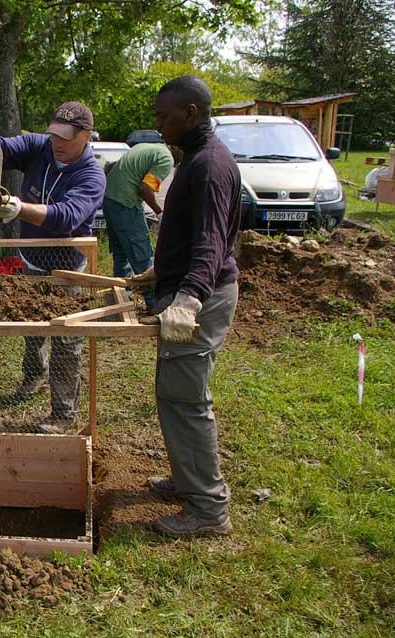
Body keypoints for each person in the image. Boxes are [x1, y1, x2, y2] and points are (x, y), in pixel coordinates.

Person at [130, 75, 241, 537]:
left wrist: (188, 296)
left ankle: (208, 509)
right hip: (186, 287)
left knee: (186, 400)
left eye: (164, 116)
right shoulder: (195, 158)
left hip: (203, 297)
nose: (158, 125)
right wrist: (162, 272)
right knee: (174, 393)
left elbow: (212, 242)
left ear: (191, 113)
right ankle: (186, 479)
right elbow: (189, 231)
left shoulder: (210, 165)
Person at [0, 101, 106, 434]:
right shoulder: (41, 146)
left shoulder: (91, 175)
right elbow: (2, 146)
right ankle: (34, 375)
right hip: (31, 259)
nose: (58, 143)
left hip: (67, 269)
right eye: (55, 135)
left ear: (87, 136)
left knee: (66, 338)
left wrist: (16, 208)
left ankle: (62, 414)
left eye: (67, 137)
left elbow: (66, 217)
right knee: (33, 327)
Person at [102, 142, 175, 312]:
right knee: (142, 256)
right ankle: (155, 304)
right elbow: (145, 188)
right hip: (126, 204)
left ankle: (121, 300)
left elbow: (111, 167)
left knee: (121, 255)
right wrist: (159, 213)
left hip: (110, 200)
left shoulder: (144, 146)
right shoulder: (166, 158)